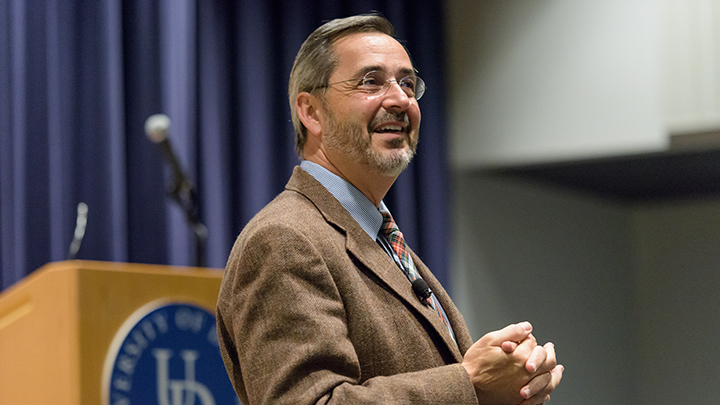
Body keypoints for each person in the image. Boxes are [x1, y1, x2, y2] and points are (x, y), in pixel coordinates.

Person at [216, 14, 563, 405]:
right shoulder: (285, 238)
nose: (400, 100)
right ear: (311, 112)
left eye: (408, 83)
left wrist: (508, 389)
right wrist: (469, 383)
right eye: (370, 81)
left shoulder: (379, 237)